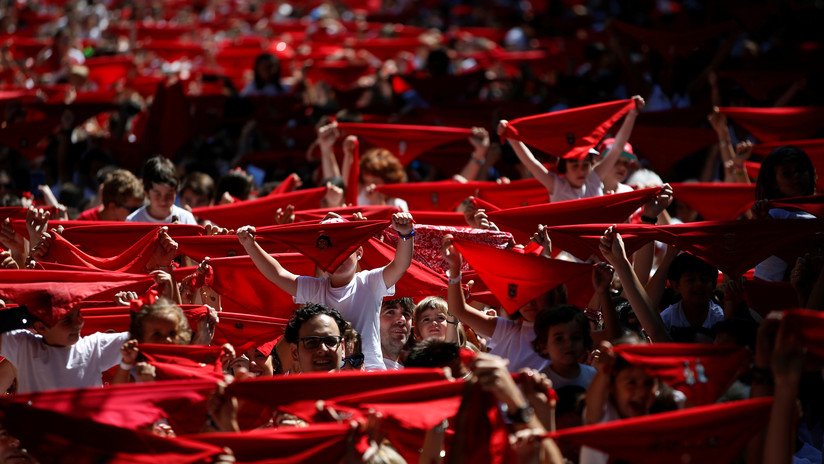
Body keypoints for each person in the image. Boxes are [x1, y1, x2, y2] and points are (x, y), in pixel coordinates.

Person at [237, 212, 414, 371]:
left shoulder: (370, 282)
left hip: (369, 371)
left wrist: (406, 234)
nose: (337, 258)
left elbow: (400, 264)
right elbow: (278, 274)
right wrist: (250, 244)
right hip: (328, 372)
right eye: (329, 252)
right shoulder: (315, 289)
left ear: (359, 252)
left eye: (343, 250)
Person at [498, 96, 645, 202]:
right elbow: (532, 163)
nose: (581, 171)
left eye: (585, 165)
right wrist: (511, 136)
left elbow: (617, 148)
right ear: (564, 168)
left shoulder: (594, 179)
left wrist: (632, 114)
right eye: (574, 166)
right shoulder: (557, 186)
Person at [442, 234, 552, 372]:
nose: (529, 303)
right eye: (523, 295)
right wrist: (454, 268)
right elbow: (459, 310)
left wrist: (546, 260)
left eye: (536, 294)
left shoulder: (564, 328)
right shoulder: (508, 330)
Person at [0, 305, 128, 393]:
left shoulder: (95, 347)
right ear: (41, 327)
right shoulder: (23, 346)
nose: (78, 323)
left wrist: (135, 308)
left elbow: (138, 337)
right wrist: (21, 313)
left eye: (79, 314)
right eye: (66, 320)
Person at [579, 340, 661, 464]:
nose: (641, 392)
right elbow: (592, 406)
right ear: (612, 386)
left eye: (648, 383)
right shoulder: (604, 416)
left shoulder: (660, 418)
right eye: (631, 383)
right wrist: (604, 370)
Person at [754, 146, 818, 282]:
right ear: (774, 182)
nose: (796, 176)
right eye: (787, 173)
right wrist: (765, 223)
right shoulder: (772, 214)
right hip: (773, 291)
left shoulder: (816, 214)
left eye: (801, 170)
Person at [114, 297, 195, 384]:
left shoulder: (189, 364)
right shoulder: (138, 371)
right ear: (140, 338)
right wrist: (126, 363)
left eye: (172, 333)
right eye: (157, 335)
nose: (168, 340)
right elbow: (118, 391)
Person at [532, 304, 596, 389]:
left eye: (575, 337)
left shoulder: (593, 376)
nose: (569, 344)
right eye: (559, 339)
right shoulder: (540, 384)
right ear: (543, 345)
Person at [127, 156, 197, 225]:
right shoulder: (133, 221)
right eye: (157, 194)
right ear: (147, 193)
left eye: (169, 194)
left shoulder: (186, 219)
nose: (163, 200)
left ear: (176, 192)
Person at [283, 303, 346, 374]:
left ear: (343, 347)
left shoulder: (356, 381)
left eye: (330, 341)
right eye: (312, 342)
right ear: (295, 353)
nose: (323, 349)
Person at [76, 169, 145, 221]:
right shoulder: (85, 221)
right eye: (132, 209)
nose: (137, 213)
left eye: (139, 208)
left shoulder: (136, 221)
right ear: (112, 206)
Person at [379, 297, 413, 370]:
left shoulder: (421, 368)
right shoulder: (360, 369)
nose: (402, 320)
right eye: (390, 312)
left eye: (406, 314)